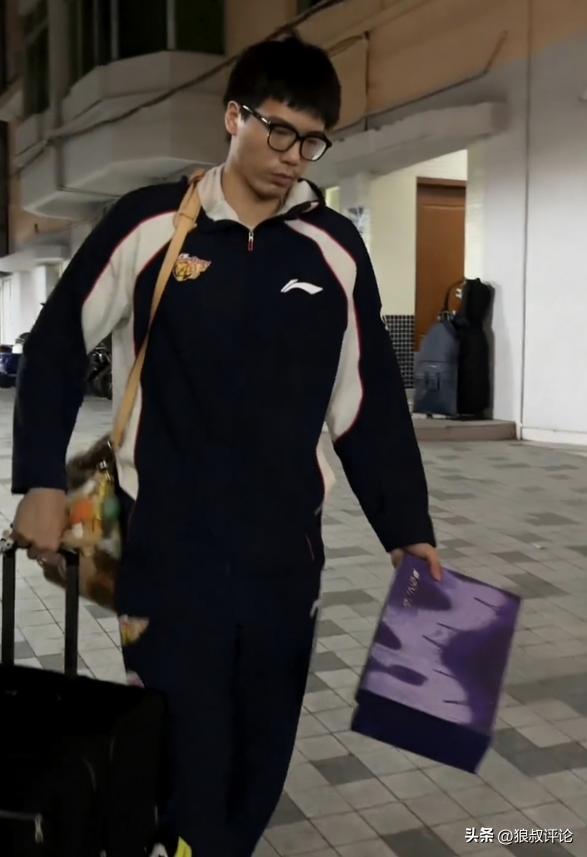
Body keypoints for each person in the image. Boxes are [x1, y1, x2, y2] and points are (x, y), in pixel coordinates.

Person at [11, 35, 441, 857]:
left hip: (286, 558)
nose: (292, 158)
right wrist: (38, 479)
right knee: (185, 758)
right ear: (232, 116)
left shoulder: (332, 249)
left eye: (311, 141)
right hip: (165, 554)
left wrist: (407, 529)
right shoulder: (150, 224)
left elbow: (368, 402)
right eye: (278, 131)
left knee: (258, 759)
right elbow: (59, 341)